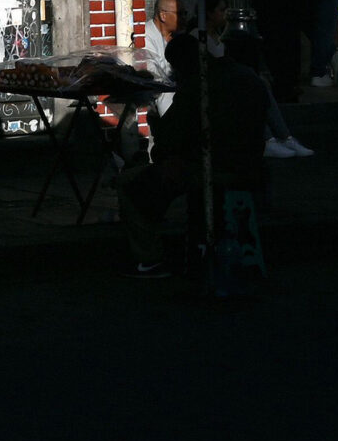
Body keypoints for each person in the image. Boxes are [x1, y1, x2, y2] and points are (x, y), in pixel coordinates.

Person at [116, 34, 271, 278]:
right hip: (250, 164)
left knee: (131, 183)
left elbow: (170, 139)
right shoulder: (247, 77)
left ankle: (150, 259)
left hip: (212, 167)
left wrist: (156, 125)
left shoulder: (198, 86)